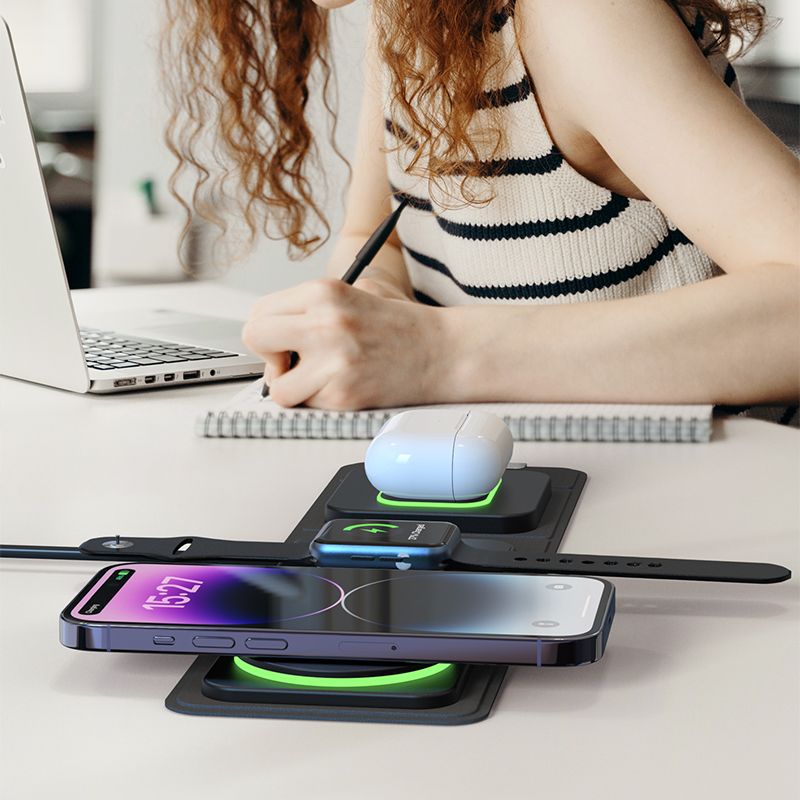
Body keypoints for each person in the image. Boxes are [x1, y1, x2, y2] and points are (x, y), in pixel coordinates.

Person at [163, 0, 799, 422]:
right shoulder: (407, 20)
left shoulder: (578, 16)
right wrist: (369, 318)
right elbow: (375, 236)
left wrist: (434, 354)